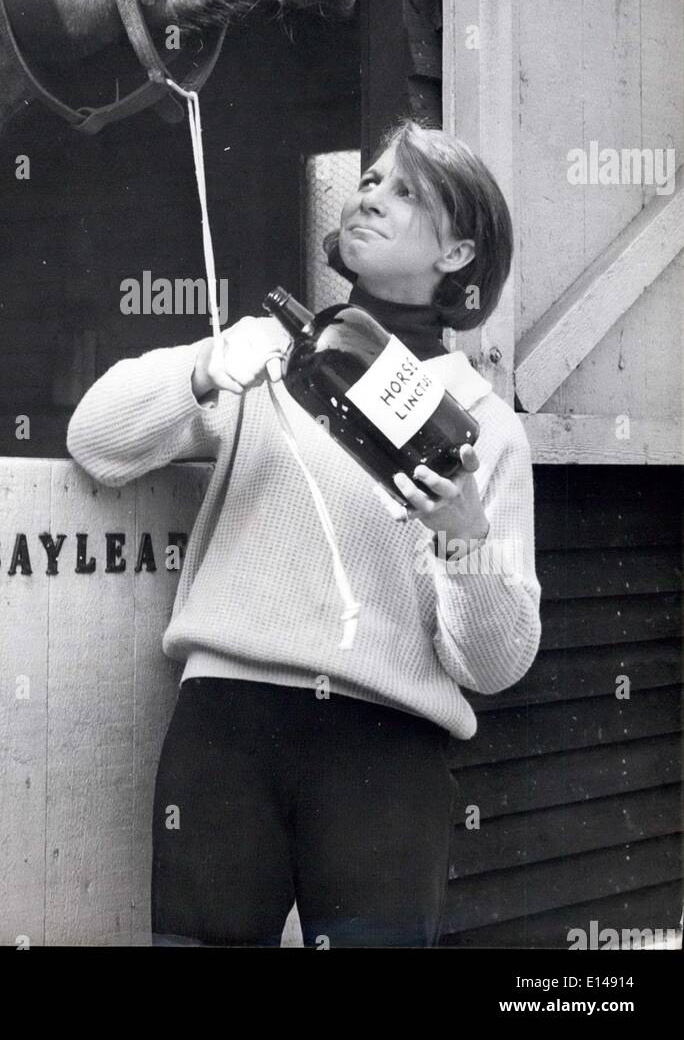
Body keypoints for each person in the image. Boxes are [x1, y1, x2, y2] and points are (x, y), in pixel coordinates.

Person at [66, 117, 541, 948]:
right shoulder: (269, 365)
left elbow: (496, 665)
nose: (371, 196)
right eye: (370, 180)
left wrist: (464, 538)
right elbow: (95, 441)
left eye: (405, 191)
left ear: (458, 255)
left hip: (385, 755)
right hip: (225, 732)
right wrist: (201, 368)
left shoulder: (486, 430)